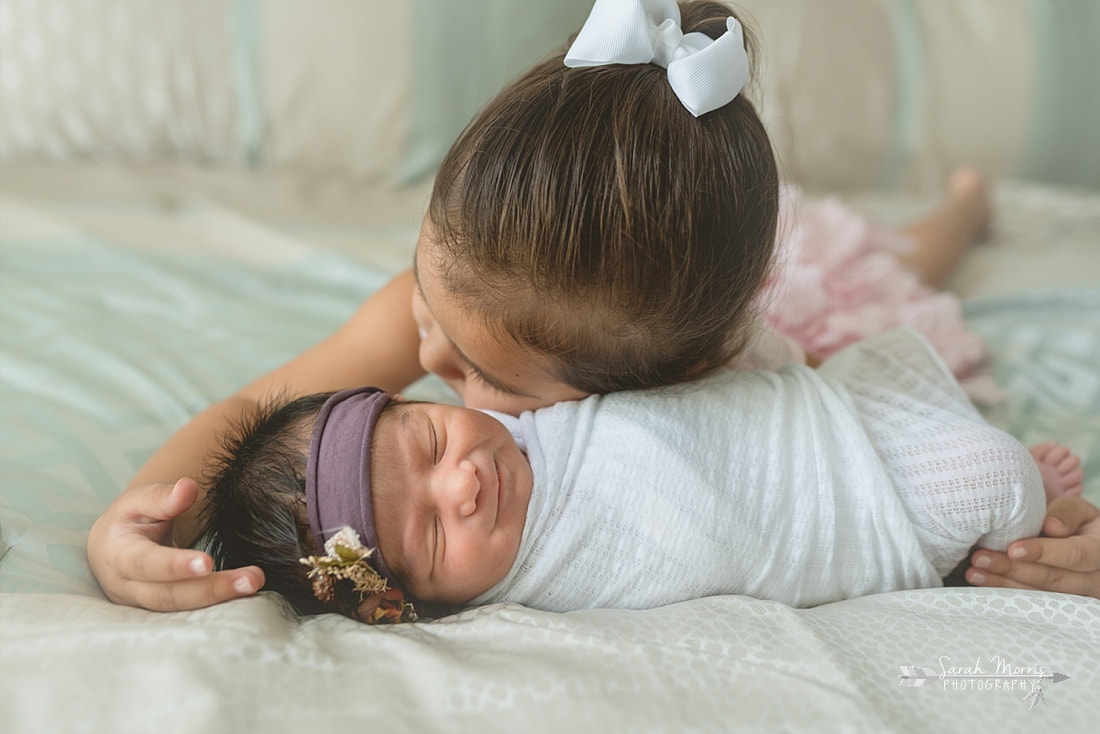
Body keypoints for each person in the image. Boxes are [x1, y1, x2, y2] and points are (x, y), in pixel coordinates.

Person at [87, 0, 1100, 612]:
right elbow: (256, 416)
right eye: (424, 282)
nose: (426, 346)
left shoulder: (702, 377)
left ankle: (961, 208)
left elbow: (879, 472)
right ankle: (956, 207)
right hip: (690, 270)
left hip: (789, 323)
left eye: (480, 378)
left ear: (634, 393)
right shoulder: (460, 303)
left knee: (901, 269)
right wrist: (134, 519)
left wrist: (1057, 536)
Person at [197, 328, 1087, 623]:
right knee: (992, 475)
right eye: (431, 534)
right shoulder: (527, 590)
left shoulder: (510, 394)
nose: (462, 483)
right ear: (418, 600)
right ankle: (1012, 519)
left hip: (814, 418)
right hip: (848, 507)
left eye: (430, 443)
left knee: (862, 361)